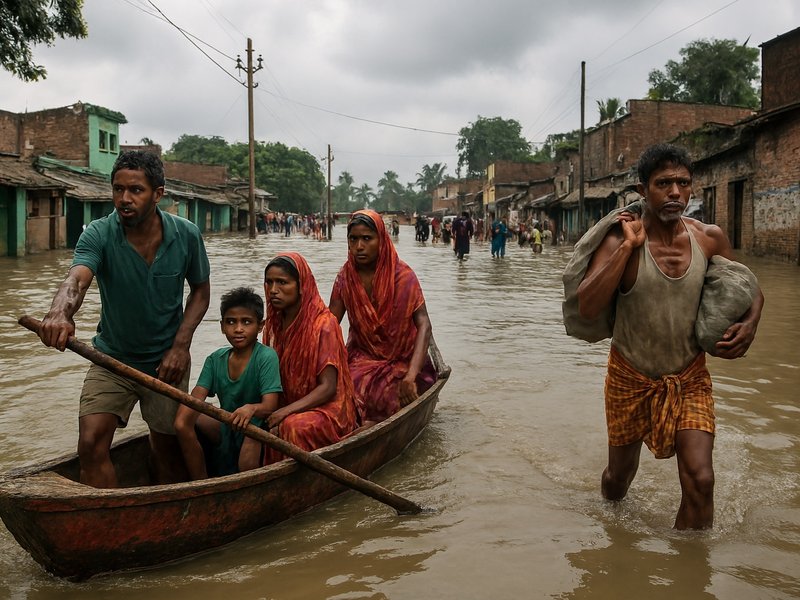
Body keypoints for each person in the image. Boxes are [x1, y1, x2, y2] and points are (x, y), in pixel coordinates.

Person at [576, 143, 763, 529]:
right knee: (618, 479)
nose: (676, 192)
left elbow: (749, 288)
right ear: (643, 190)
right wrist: (627, 247)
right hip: (629, 377)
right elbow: (588, 307)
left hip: (689, 378)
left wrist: (750, 323)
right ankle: (612, 530)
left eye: (684, 183)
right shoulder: (619, 241)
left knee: (701, 480)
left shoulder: (709, 238)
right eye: (664, 183)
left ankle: (689, 563)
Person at [38, 150, 211, 488]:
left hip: (166, 363)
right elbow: (76, 280)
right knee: (90, 444)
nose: (124, 199)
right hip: (111, 359)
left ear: (158, 194)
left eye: (135, 190)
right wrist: (59, 312)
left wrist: (180, 346)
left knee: (166, 450)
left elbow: (201, 292)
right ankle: (103, 513)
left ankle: (164, 509)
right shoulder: (99, 233)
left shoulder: (187, 234)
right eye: (118, 189)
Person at [329, 210, 437, 426]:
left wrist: (411, 375)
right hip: (362, 358)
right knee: (338, 391)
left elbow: (424, 325)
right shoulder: (345, 277)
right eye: (353, 239)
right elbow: (329, 324)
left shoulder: (403, 276)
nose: (359, 246)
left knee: (387, 396)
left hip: (403, 360)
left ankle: (366, 425)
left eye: (367, 238)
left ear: (381, 239)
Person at [174, 288, 282, 479]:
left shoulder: (266, 357)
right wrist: (183, 422)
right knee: (189, 418)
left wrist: (251, 409)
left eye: (246, 322)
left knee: (246, 461)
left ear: (260, 326)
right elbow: (197, 396)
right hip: (229, 422)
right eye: (231, 322)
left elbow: (270, 405)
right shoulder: (215, 359)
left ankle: (249, 487)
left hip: (258, 426)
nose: (238, 329)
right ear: (222, 326)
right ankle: (201, 483)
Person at [262, 253, 358, 461]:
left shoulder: (324, 325)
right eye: (269, 282)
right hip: (287, 405)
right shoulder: (272, 325)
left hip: (327, 410)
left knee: (292, 427)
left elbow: (328, 388)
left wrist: (285, 412)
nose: (273, 290)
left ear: (301, 286)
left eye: (282, 282)